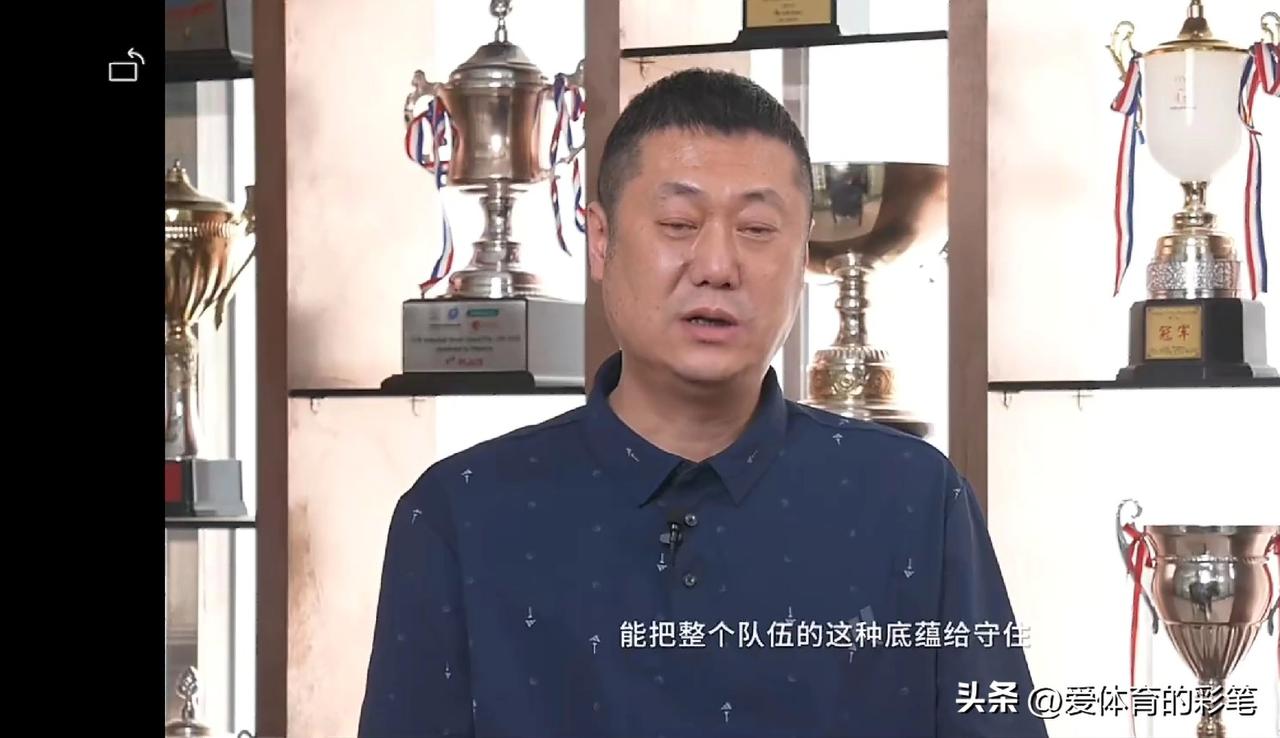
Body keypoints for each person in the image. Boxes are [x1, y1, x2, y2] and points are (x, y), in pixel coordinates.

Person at [358, 68, 1047, 738]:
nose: (717, 266)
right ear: (601, 240)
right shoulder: (460, 514)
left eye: (757, 229)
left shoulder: (917, 502)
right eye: (679, 223)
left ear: (802, 256)